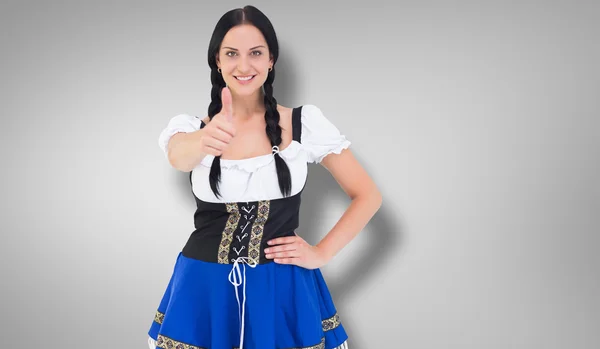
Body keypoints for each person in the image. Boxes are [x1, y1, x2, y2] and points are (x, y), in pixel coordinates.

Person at [147, 5, 381, 349]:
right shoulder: (191, 128)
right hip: (204, 289)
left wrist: (322, 253)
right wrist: (204, 138)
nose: (244, 66)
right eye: (232, 54)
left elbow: (367, 195)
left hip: (282, 286)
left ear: (272, 60)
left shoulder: (303, 124)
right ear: (217, 61)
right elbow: (178, 157)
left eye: (256, 53)